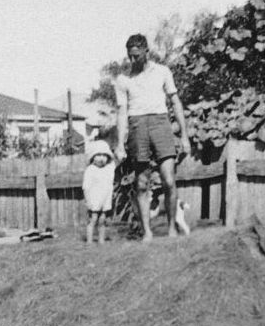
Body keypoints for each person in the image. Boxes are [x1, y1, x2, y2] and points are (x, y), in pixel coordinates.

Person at [114, 34, 191, 241]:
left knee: (168, 180)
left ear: (146, 51)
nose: (132, 60)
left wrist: (184, 136)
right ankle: (147, 232)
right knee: (141, 183)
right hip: (137, 126)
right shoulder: (123, 80)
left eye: (137, 56)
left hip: (160, 123)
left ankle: (172, 229)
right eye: (130, 56)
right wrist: (120, 144)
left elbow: (176, 103)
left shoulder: (162, 71)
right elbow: (121, 113)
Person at [82, 139, 116, 245]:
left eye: (104, 155)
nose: (102, 158)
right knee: (93, 219)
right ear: (93, 157)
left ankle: (101, 240)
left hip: (105, 199)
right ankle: (89, 241)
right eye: (98, 155)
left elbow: (117, 161)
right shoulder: (90, 170)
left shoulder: (109, 168)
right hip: (94, 199)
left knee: (102, 220)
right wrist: (87, 200)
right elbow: (86, 187)